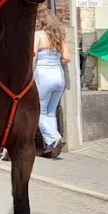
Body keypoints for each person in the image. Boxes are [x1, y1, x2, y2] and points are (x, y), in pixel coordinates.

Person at [34, 10, 71, 159]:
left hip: (43, 75)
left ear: (40, 21)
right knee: (50, 112)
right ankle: (52, 145)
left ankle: (54, 139)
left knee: (38, 111)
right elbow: (67, 58)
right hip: (58, 75)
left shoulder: (38, 35)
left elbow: (33, 56)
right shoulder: (59, 37)